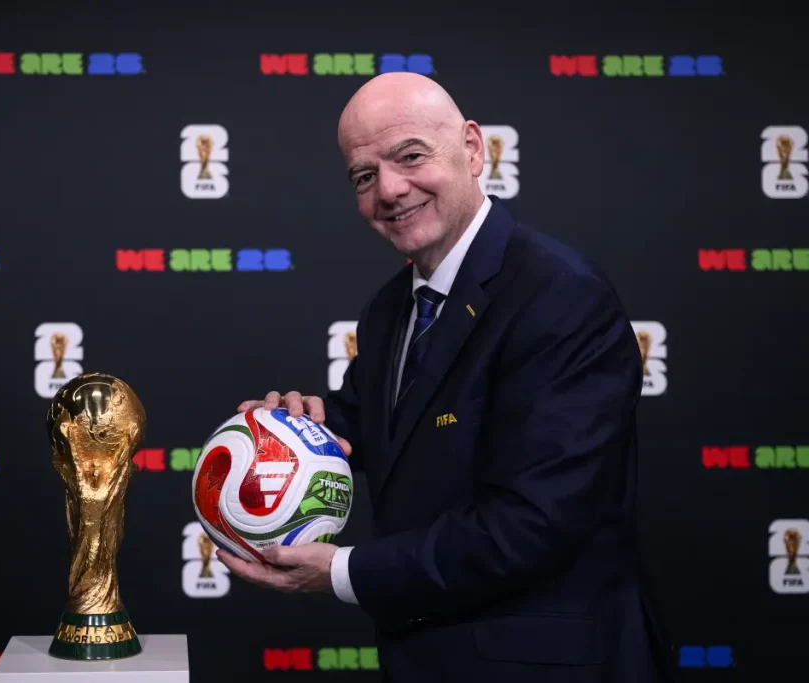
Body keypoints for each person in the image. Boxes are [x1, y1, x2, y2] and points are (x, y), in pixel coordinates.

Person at [219, 72, 674, 682]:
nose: (389, 189)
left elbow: (534, 523)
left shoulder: (560, 295)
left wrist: (342, 571)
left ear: (472, 149)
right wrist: (297, 427)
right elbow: (379, 428)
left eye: (410, 156)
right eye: (364, 176)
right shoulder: (391, 309)